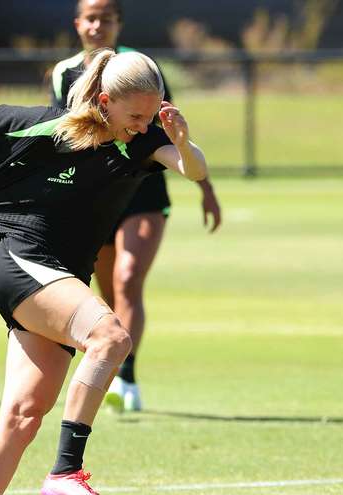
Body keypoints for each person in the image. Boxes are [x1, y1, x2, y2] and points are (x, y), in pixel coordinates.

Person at [0, 50, 208, 495]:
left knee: (24, 414)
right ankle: (66, 470)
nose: (143, 125)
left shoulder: (145, 140)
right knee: (111, 337)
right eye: (135, 115)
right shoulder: (46, 124)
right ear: (105, 100)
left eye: (151, 115)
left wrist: (183, 139)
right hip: (22, 261)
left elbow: (194, 169)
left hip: (57, 279)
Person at [50, 0, 221, 412]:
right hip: (98, 197)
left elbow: (170, 134)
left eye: (106, 19)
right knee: (107, 292)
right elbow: (62, 137)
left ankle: (126, 377)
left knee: (128, 281)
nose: (97, 26)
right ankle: (108, 368)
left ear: (118, 23)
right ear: (78, 23)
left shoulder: (141, 69)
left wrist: (205, 187)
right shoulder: (64, 73)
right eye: (91, 18)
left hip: (143, 193)